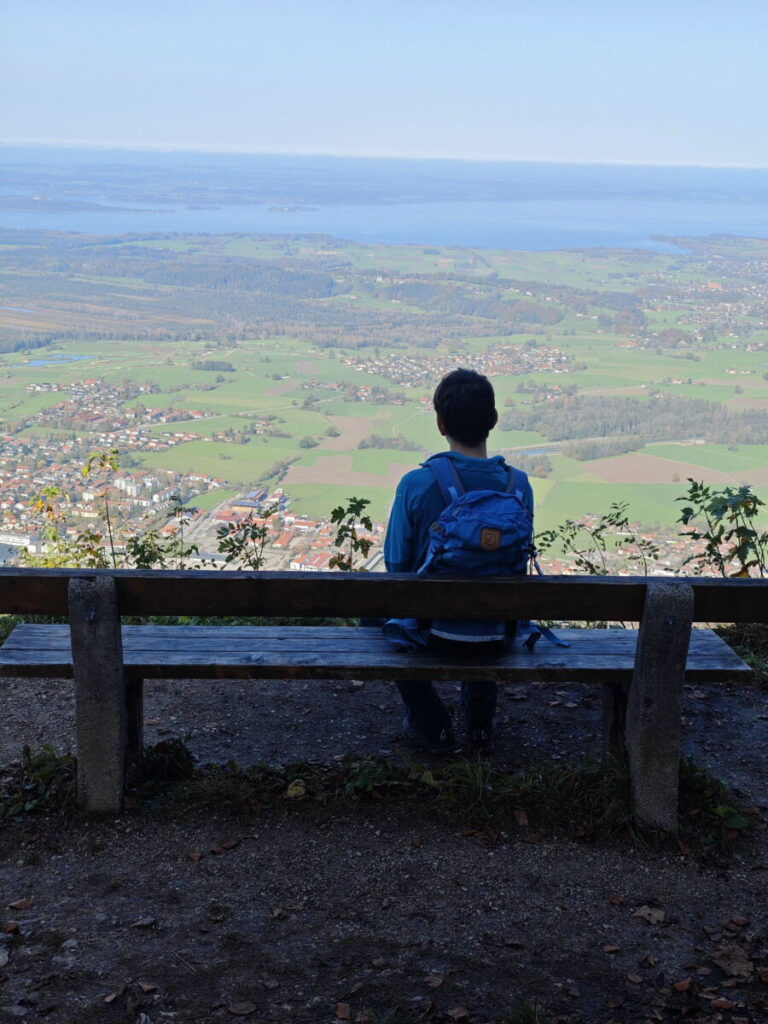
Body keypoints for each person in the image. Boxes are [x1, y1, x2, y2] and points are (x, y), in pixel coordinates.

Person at [383, 367, 534, 755]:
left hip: (429, 631)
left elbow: (396, 564)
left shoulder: (416, 484)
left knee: (376, 612)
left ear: (440, 424)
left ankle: (431, 725)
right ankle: (480, 722)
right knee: (488, 597)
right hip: (497, 633)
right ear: (493, 420)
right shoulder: (519, 488)